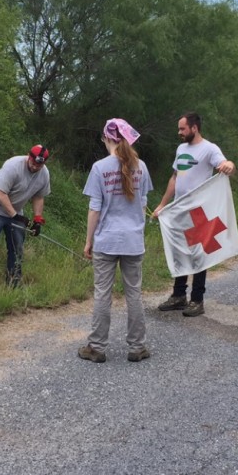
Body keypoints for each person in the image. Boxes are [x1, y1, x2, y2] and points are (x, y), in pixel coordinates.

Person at [78, 119, 154, 363]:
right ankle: (137, 347)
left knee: (102, 294)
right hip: (132, 241)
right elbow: (142, 206)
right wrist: (137, 231)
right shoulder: (140, 166)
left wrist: (88, 241)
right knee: (134, 293)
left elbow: (94, 209)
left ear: (107, 139)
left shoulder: (99, 168)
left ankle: (97, 347)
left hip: (106, 241)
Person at [152, 111, 236, 317]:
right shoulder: (181, 148)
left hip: (199, 211)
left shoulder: (209, 149)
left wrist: (229, 165)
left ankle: (197, 299)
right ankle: (178, 295)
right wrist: (163, 204)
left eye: (182, 129)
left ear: (194, 128)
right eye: (179, 128)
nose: (179, 132)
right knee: (180, 251)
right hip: (179, 209)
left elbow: (225, 165)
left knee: (199, 253)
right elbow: (175, 177)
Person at [0, 145, 51, 292]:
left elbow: (38, 196)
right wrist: (16, 216)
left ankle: (14, 284)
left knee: (17, 247)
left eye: (39, 165)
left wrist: (37, 219)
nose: (35, 167)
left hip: (15, 208)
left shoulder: (44, 174)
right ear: (28, 156)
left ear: (44, 163)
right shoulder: (13, 165)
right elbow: (0, 194)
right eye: (33, 163)